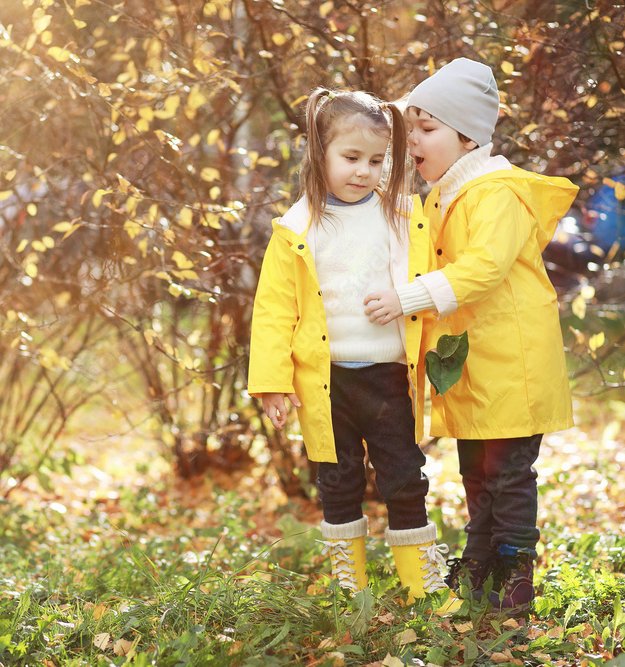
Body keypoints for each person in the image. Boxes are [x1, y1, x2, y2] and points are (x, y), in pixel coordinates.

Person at [370, 58, 578, 615]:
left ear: (469, 137)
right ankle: (480, 560)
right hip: (469, 368)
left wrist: (408, 299)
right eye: (410, 127)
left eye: (427, 128)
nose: (412, 139)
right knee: (476, 472)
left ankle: (515, 574)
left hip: (512, 366)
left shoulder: (496, 193)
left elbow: (484, 267)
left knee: (508, 476)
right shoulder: (441, 198)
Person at [248, 87, 455, 609]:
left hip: (386, 374)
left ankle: (419, 584)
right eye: (350, 158)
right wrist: (272, 382)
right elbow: (274, 310)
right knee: (337, 479)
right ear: (319, 152)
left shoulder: (399, 217)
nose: (363, 171)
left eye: (376, 160)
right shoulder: (297, 227)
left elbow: (431, 275)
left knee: (404, 475)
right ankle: (350, 586)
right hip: (326, 380)